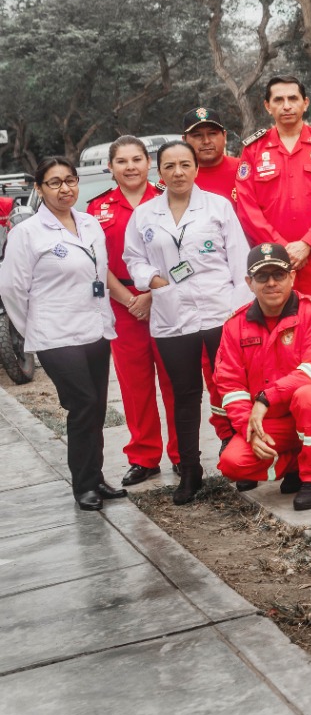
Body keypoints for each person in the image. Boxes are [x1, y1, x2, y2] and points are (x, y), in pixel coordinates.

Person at [123, 140, 252, 504]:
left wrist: (234, 310)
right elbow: (132, 257)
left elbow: (240, 261)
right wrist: (153, 279)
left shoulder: (218, 207)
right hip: (172, 316)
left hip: (218, 312)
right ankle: (191, 471)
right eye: (169, 166)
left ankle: (242, 463)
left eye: (185, 165)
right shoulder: (145, 215)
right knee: (185, 395)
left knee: (229, 389)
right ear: (159, 173)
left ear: (196, 168)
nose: (178, 172)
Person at [0, 157, 124, 511]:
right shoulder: (27, 233)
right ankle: (83, 485)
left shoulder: (89, 223)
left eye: (70, 180)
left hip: (95, 328)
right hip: (56, 334)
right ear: (39, 189)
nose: (64, 188)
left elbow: (99, 272)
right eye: (54, 183)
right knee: (82, 403)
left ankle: (96, 476)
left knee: (97, 406)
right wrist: (33, 329)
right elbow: (11, 289)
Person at [213, 243, 311, 511]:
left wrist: (265, 398)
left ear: (292, 276)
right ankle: (296, 462)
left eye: (279, 275)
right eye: (262, 277)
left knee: (310, 394)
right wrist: (249, 430)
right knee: (232, 463)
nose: (271, 283)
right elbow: (230, 386)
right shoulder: (234, 325)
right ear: (249, 282)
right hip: (270, 425)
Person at [87, 137, 177, 487]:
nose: (130, 167)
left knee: (174, 380)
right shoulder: (96, 210)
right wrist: (129, 300)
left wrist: (151, 297)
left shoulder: (168, 198)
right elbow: (97, 263)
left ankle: (184, 454)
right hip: (122, 304)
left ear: (149, 163)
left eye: (137, 159)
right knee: (135, 385)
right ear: (110, 168)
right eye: (121, 161)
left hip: (167, 299)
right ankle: (144, 456)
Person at [236, 76, 311, 307]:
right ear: (268, 106)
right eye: (278, 100)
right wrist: (280, 248)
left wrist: (307, 243)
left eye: (293, 98)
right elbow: (247, 207)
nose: (286, 105)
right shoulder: (253, 149)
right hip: (273, 263)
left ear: (305, 103)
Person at [182, 107, 241, 203]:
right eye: (197, 135)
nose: (206, 141)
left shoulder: (244, 170)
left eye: (212, 134)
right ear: (184, 140)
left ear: (224, 136)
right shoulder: (176, 177)